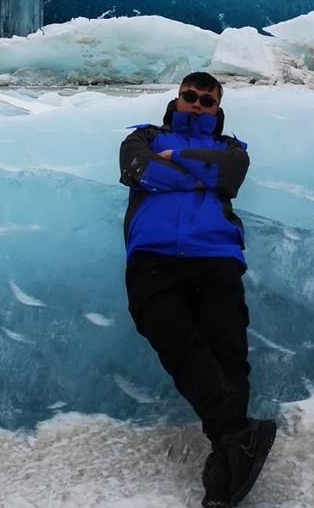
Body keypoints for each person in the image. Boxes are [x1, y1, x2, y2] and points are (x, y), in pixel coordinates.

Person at [119, 72, 276, 508]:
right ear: (177, 98)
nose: (198, 105)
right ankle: (236, 436)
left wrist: (176, 159)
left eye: (207, 101)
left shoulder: (232, 149)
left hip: (215, 255)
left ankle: (226, 474)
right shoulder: (144, 136)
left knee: (228, 353)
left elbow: (229, 176)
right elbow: (138, 169)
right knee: (171, 336)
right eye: (191, 97)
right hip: (153, 256)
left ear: (217, 109)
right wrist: (197, 171)